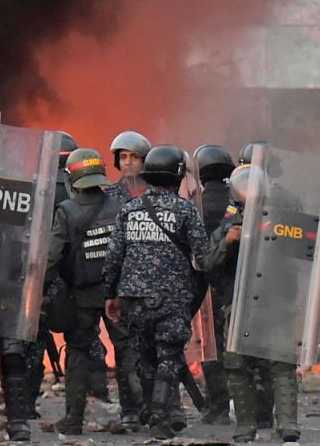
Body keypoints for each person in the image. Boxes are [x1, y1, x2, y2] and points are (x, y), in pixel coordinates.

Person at [103, 145, 209, 439]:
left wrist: (111, 295)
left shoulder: (129, 210)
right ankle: (161, 416)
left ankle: (156, 412)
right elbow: (204, 257)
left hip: (134, 300)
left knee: (146, 358)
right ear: (177, 176)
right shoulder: (186, 210)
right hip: (172, 298)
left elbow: (113, 258)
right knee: (168, 356)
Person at [205, 165, 301, 443]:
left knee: (282, 363)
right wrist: (227, 242)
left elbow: (305, 251)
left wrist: (276, 234)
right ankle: (245, 426)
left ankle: (288, 423)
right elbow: (207, 263)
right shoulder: (227, 224)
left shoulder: (281, 218)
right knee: (237, 366)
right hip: (238, 305)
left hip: (275, 302)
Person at [43, 148, 134, 434]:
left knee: (78, 353)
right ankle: (137, 413)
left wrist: (41, 289)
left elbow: (53, 256)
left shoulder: (66, 212)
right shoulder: (120, 207)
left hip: (81, 295)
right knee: (127, 350)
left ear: (73, 178)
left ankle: (73, 420)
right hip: (116, 294)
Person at [192, 144, 236, 425]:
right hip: (237, 283)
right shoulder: (241, 203)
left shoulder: (196, 205)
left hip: (205, 285)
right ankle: (255, 408)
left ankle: (218, 407)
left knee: (210, 346)